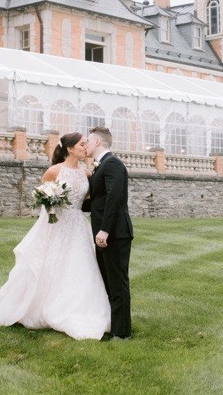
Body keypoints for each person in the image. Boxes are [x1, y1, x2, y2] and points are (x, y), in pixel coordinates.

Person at [0, 132, 110, 341]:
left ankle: (77, 307)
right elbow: (44, 200)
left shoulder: (87, 173)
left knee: (80, 264)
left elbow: (88, 200)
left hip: (77, 225)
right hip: (56, 225)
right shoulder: (53, 171)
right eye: (82, 144)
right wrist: (51, 204)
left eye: (86, 144)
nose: (86, 147)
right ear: (70, 149)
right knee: (48, 263)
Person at [83, 126, 134, 340]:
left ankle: (122, 333)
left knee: (117, 282)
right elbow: (99, 201)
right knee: (108, 281)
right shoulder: (101, 165)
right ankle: (114, 326)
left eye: (87, 141)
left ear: (97, 142)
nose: (84, 144)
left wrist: (104, 230)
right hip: (105, 233)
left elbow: (115, 198)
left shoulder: (112, 164)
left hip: (115, 233)